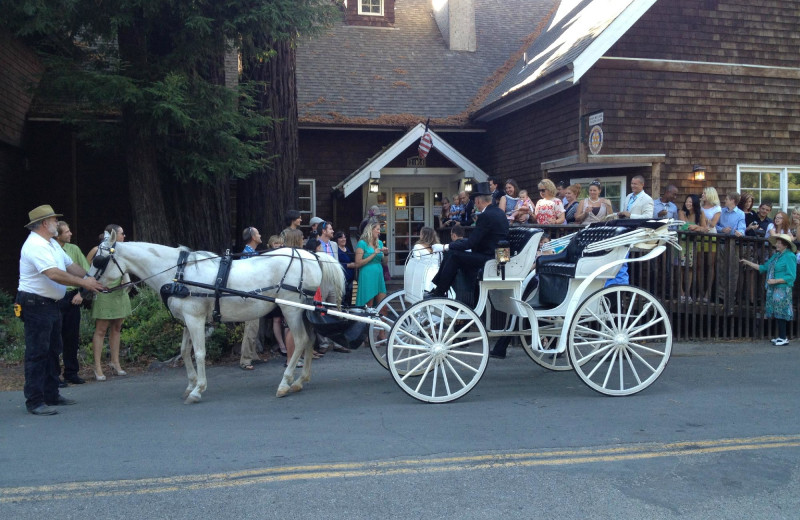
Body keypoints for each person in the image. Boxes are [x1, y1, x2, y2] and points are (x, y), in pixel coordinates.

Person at [17, 205, 104, 415]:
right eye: (55, 220)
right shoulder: (35, 245)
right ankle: (35, 401)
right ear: (45, 223)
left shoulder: (52, 245)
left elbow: (70, 265)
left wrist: (91, 279)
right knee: (38, 353)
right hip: (35, 304)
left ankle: (51, 394)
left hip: (49, 304)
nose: (58, 223)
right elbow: (54, 274)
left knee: (53, 350)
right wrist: (85, 284)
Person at [427, 182, 509, 298]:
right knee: (452, 253)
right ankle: (439, 289)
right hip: (495, 255)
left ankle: (440, 291)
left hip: (491, 258)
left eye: (475, 201)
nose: (475, 204)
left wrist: (446, 247)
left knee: (454, 255)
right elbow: (478, 240)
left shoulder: (486, 216)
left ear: (478, 201)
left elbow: (471, 243)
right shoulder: (499, 213)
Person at [86, 224, 132, 381]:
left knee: (117, 327)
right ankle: (97, 367)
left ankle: (115, 362)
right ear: (113, 235)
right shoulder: (97, 250)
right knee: (101, 330)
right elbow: (88, 271)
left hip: (120, 290)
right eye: (121, 233)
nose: (124, 236)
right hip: (104, 291)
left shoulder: (122, 251)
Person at [741, 234, 797, 346]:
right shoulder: (776, 256)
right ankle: (781, 337)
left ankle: (783, 337)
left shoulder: (790, 256)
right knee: (776, 311)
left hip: (782, 288)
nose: (776, 244)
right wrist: (747, 262)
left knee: (781, 312)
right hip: (773, 288)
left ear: (785, 245)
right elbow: (764, 267)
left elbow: (791, 276)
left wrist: (775, 281)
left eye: (779, 243)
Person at [55, 221, 89, 385]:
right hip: (55, 297)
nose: (70, 234)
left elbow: (85, 272)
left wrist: (81, 293)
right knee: (55, 338)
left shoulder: (74, 249)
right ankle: (55, 375)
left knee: (72, 337)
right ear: (58, 235)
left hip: (72, 296)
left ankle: (71, 372)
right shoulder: (50, 250)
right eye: (67, 232)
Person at [314, 220, 349, 354]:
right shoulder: (316, 244)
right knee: (320, 311)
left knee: (335, 311)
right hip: (321, 280)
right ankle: (323, 343)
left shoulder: (334, 244)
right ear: (323, 231)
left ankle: (337, 342)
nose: (333, 231)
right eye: (330, 229)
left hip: (333, 280)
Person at [238, 226, 262, 370]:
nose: (260, 235)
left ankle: (252, 355)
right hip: (250, 295)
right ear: (253, 237)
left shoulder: (250, 252)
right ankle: (245, 360)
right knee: (251, 326)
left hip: (253, 294)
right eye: (258, 233)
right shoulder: (248, 255)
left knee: (254, 326)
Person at [715, 193, 746, 302]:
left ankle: (731, 295)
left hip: (734, 244)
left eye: (727, 198)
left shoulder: (741, 214)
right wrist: (722, 230)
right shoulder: (721, 211)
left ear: (732, 201)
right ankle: (720, 296)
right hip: (721, 243)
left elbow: (742, 228)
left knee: (733, 270)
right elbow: (714, 225)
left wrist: (740, 233)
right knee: (721, 268)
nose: (725, 200)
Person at [678, 194, 707, 302]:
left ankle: (687, 293)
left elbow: (705, 229)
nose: (688, 204)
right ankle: (681, 293)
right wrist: (696, 227)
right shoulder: (682, 212)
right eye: (687, 201)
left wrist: (696, 227)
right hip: (681, 243)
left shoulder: (700, 213)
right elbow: (685, 226)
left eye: (690, 202)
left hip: (692, 244)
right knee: (680, 267)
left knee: (690, 267)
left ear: (695, 203)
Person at [355, 219, 389, 306]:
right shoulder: (362, 243)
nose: (379, 232)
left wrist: (386, 254)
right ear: (370, 229)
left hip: (379, 273)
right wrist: (374, 254)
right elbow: (358, 263)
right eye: (377, 229)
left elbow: (385, 263)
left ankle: (381, 319)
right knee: (369, 305)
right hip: (367, 274)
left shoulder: (380, 243)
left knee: (383, 305)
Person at [698, 187, 722, 303]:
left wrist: (703, 217)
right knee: (699, 265)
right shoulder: (700, 206)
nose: (702, 195)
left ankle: (708, 292)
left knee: (710, 265)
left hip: (712, 236)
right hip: (700, 236)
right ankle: (699, 291)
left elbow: (713, 224)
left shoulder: (717, 208)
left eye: (704, 193)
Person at [334, 231, 356, 305]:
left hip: (350, 279)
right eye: (341, 237)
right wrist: (347, 265)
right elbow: (335, 263)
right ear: (337, 239)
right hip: (342, 278)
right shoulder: (336, 250)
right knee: (342, 298)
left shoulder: (347, 249)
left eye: (344, 237)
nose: (343, 239)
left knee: (350, 297)